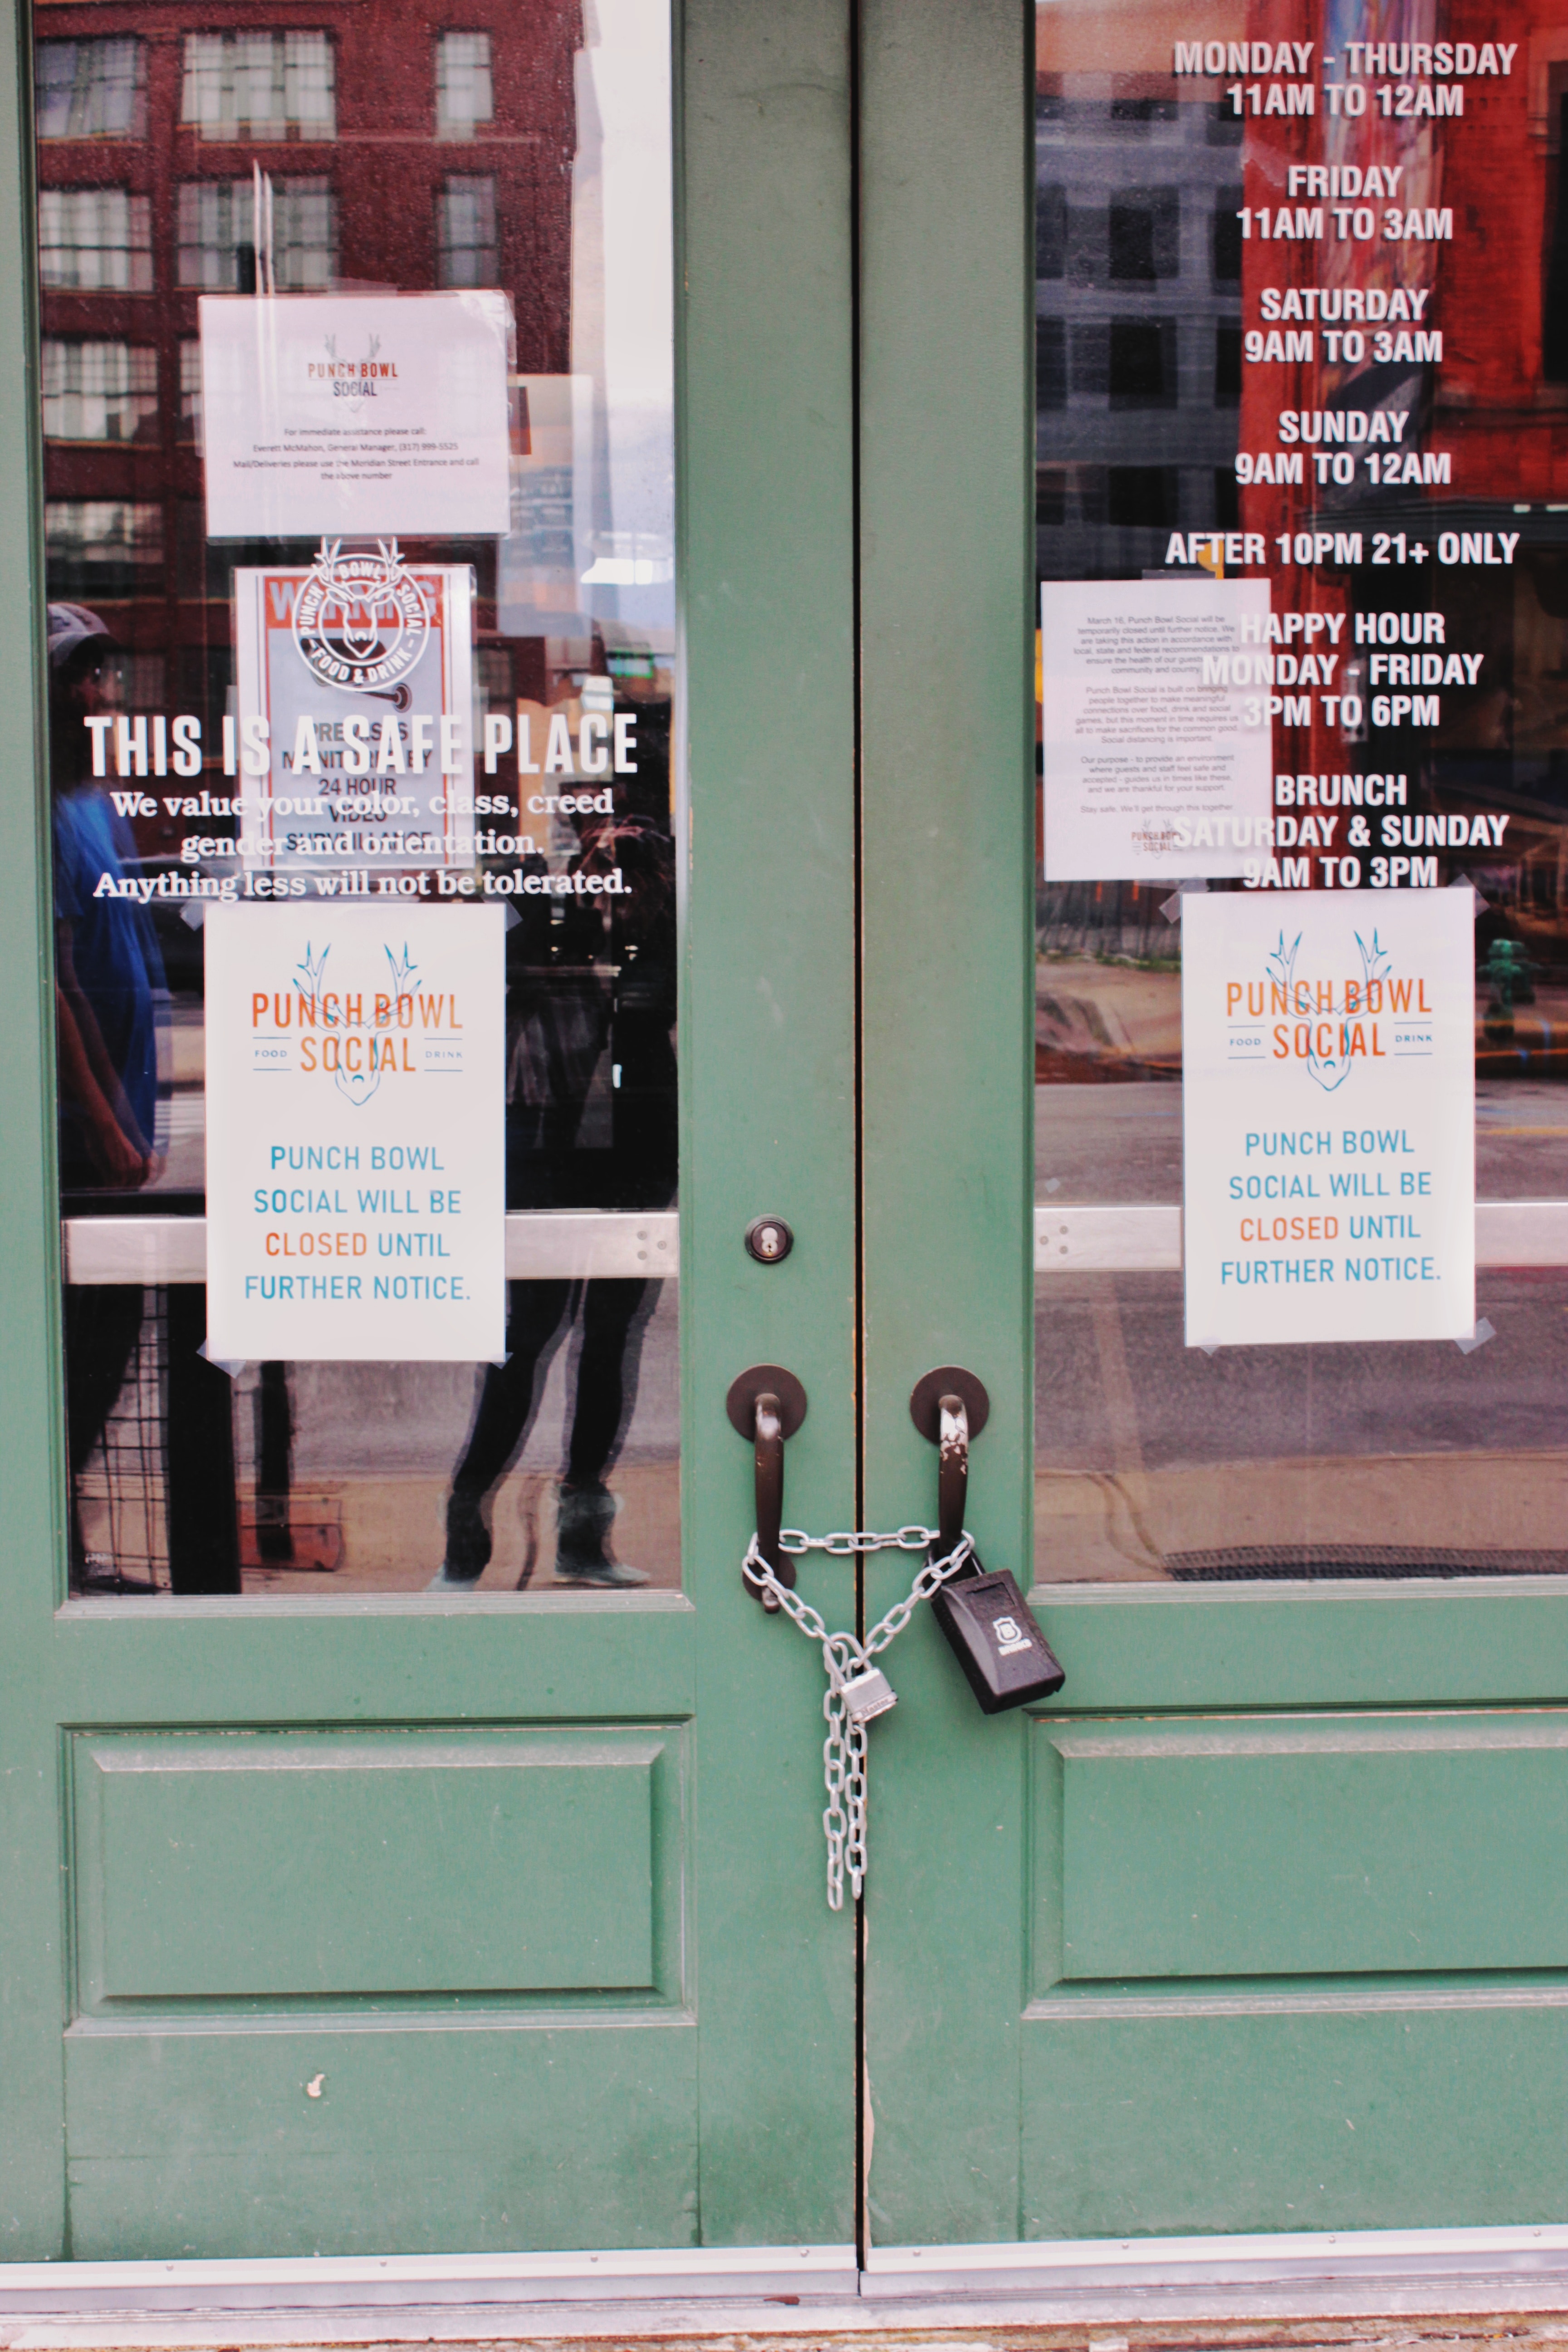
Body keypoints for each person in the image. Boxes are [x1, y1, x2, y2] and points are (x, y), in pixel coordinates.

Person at [432, 730, 677, 1590]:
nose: (594, 826)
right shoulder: (536, 893)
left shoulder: (658, 894)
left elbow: (669, 997)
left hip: (638, 1138)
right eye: (577, 807)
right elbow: (495, 970)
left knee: (613, 1340)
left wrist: (651, 901)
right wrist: (569, 901)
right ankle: (464, 1542)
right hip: (546, 1138)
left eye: (608, 808)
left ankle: (585, 1536)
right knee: (524, 1337)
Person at [49, 604, 167, 1583]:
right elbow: (56, 987)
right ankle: (60, 1557)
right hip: (82, 1146)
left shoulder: (96, 799)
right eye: (77, 675)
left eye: (101, 674)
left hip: (124, 1122)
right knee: (80, 1355)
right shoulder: (37, 808)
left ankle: (70, 1553)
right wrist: (103, 1124)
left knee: (111, 1347)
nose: (97, 693)